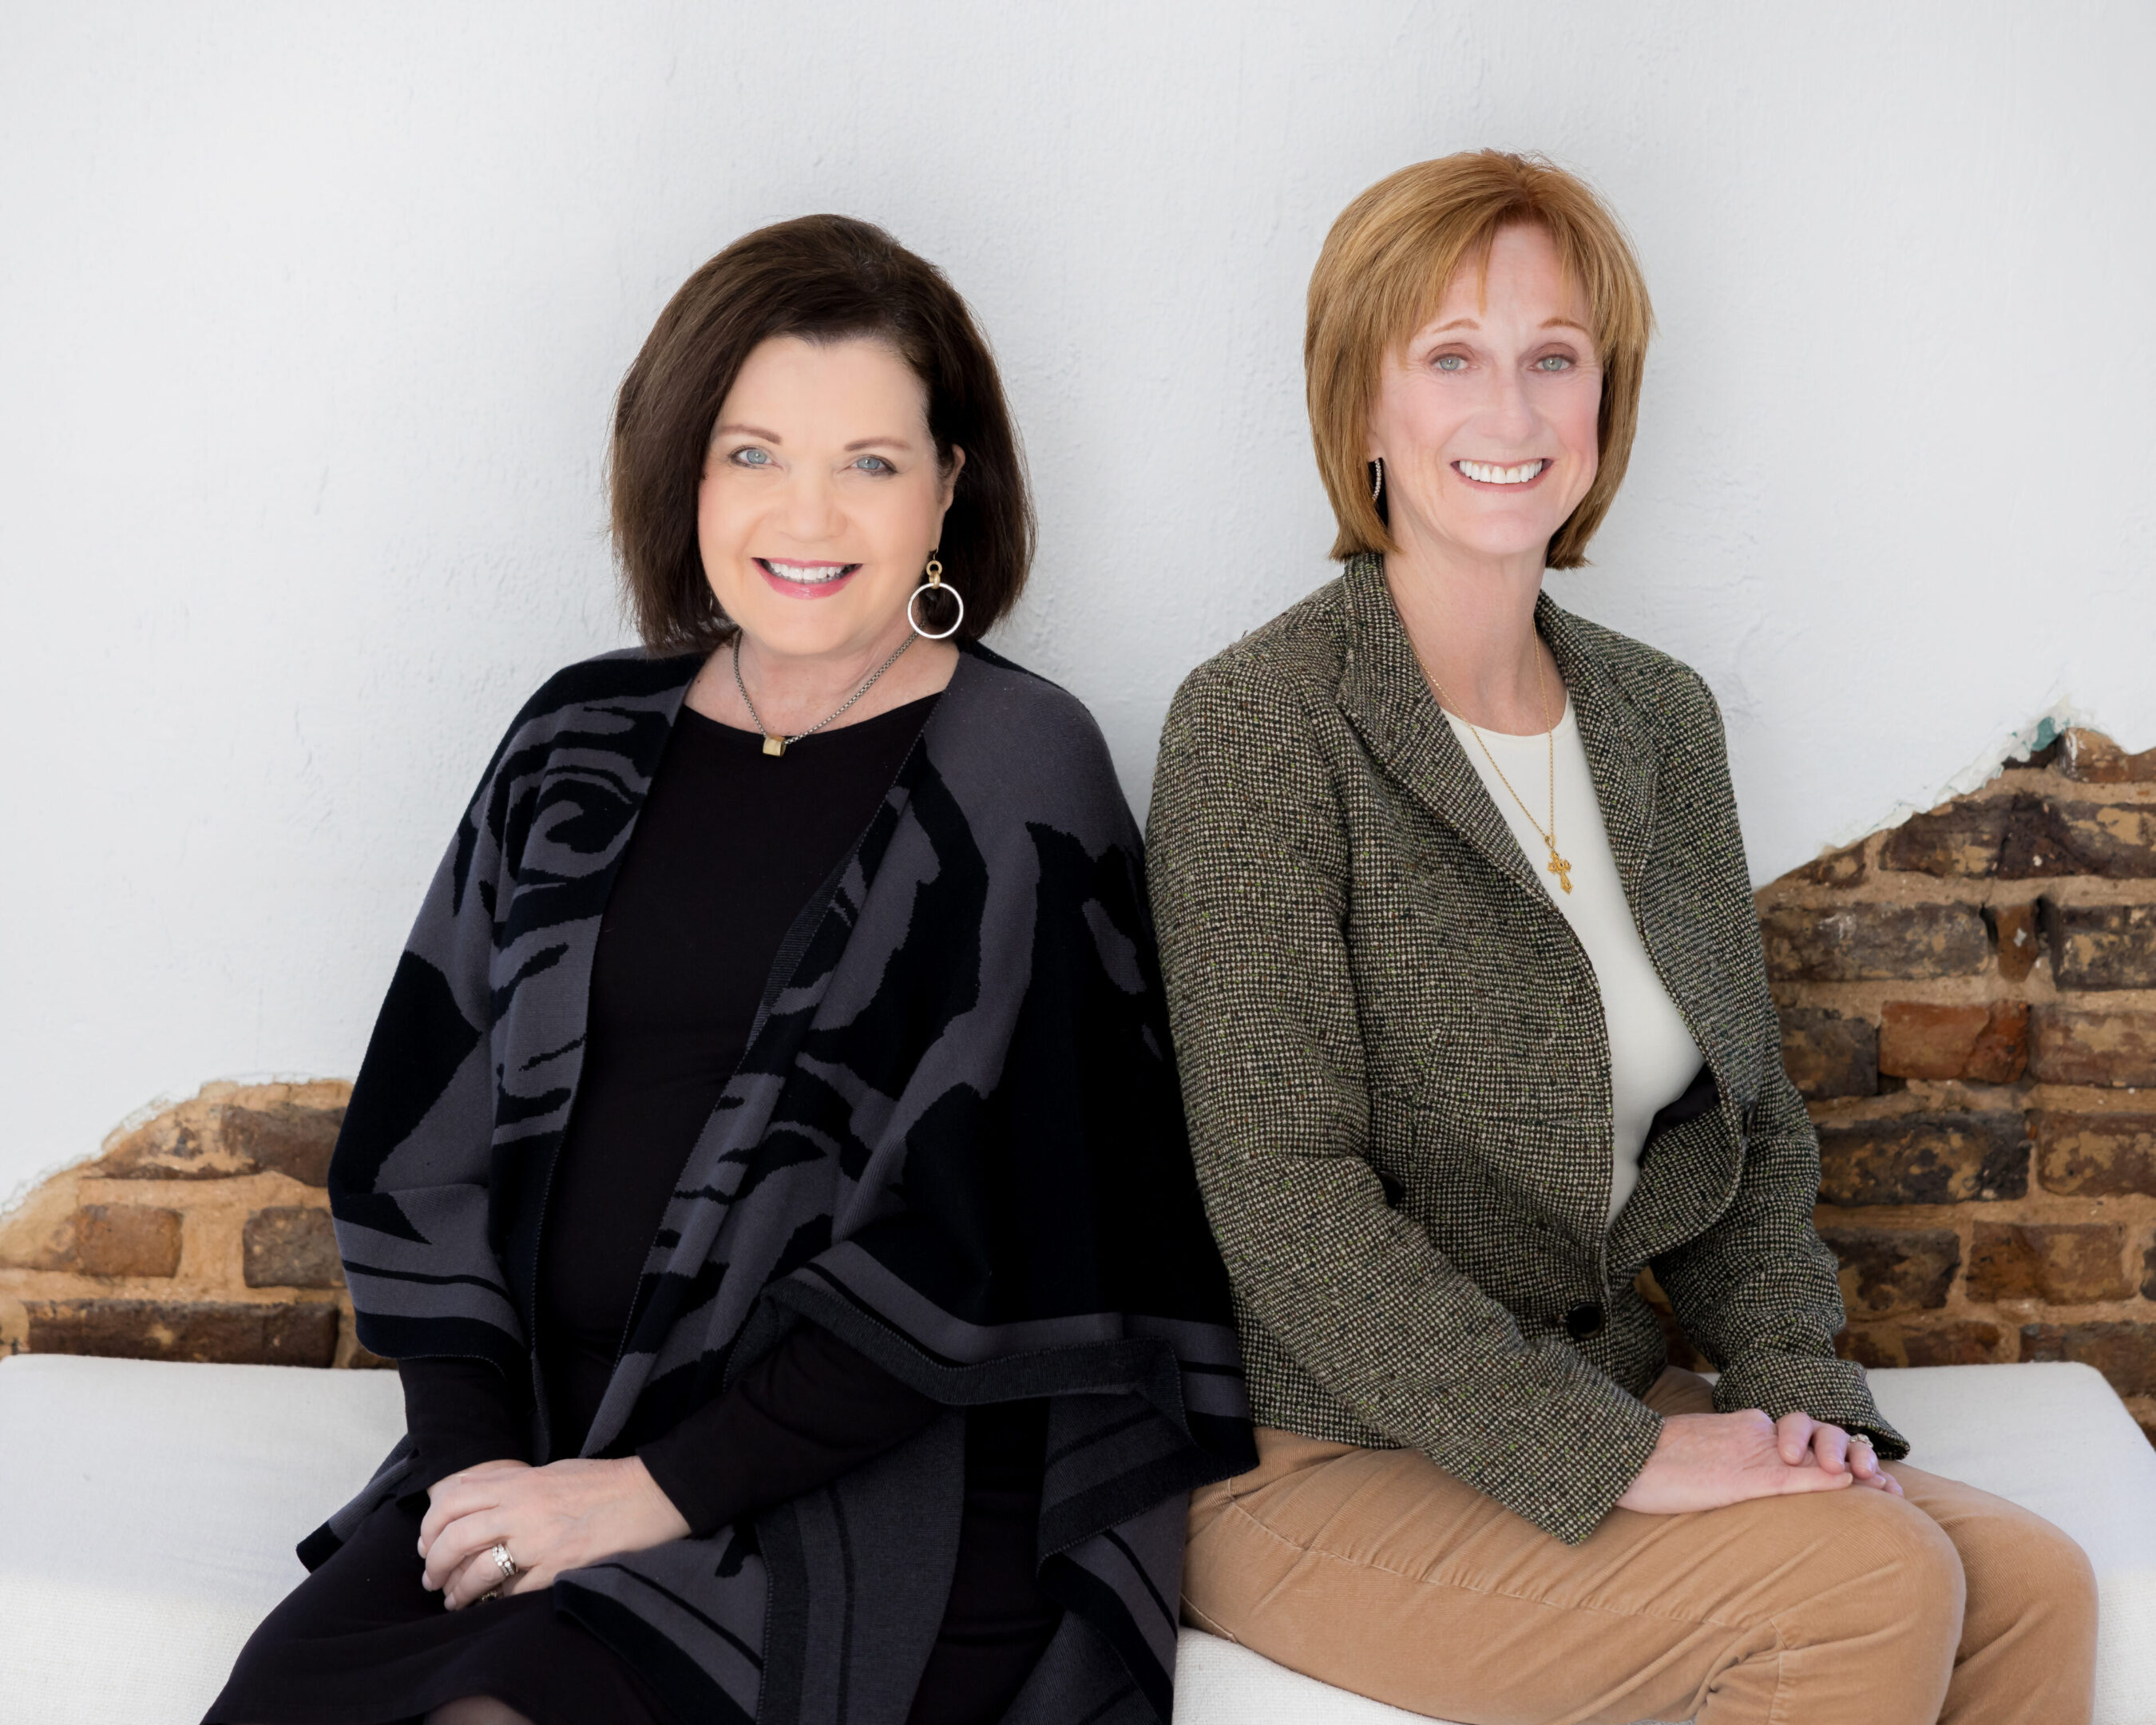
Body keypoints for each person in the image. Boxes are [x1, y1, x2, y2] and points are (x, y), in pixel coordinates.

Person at [209, 214, 1251, 1725]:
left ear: (952, 486)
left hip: (867, 1469)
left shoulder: (1023, 764)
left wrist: (644, 1496)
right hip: (548, 1431)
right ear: (684, 470)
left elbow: (998, 1243)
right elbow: (416, 1146)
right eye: (752, 453)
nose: (807, 511)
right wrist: (476, 1463)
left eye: (872, 463)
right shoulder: (577, 737)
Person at [1144, 151, 2096, 1724]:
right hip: (1321, 1457)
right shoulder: (1261, 731)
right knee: (1868, 1585)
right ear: (1362, 407)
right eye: (1450, 357)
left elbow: (1745, 1130)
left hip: (1591, 1393)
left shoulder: (1658, 719)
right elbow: (1284, 1211)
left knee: (2032, 1589)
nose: (1509, 414)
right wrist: (1626, 1450)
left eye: (1553, 359)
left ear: (1606, 396)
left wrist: (1796, 1400)